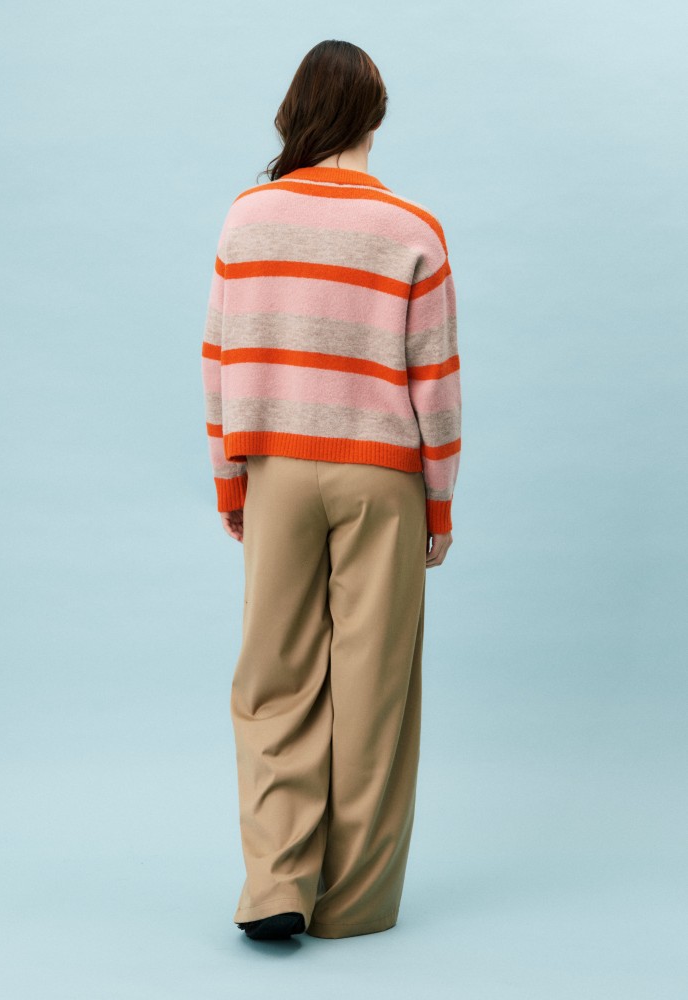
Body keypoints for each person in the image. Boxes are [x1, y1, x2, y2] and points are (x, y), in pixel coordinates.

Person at [200, 39, 462, 941]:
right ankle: (352, 905)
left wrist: (230, 482)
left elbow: (220, 360)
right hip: (382, 476)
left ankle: (277, 884)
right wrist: (439, 504)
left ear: (295, 111)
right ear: (375, 116)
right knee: (374, 685)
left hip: (275, 462)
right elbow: (436, 383)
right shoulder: (414, 229)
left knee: (273, 675)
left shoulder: (247, 218)